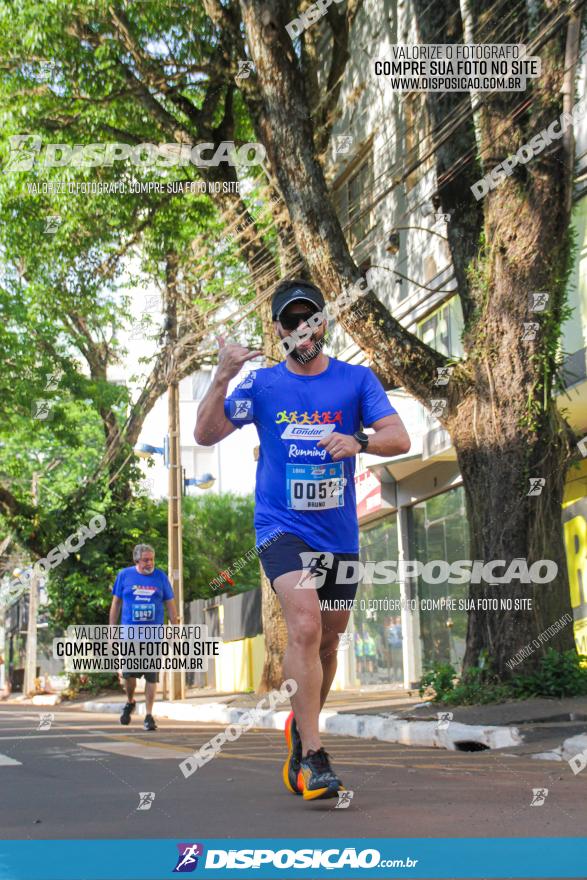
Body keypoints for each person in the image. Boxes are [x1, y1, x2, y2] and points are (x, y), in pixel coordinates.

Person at [195, 278, 410, 800]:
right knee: (307, 624)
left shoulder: (355, 381)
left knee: (332, 636)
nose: (301, 329)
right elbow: (205, 434)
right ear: (279, 331)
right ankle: (314, 755)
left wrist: (358, 439)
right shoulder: (263, 386)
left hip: (337, 533)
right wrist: (222, 376)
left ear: (324, 322)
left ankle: (300, 728)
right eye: (290, 322)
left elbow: (399, 437)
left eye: (309, 318)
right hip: (280, 528)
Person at [109, 543, 178, 731]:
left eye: (152, 559)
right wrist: (112, 631)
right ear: (136, 560)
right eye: (146, 560)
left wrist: (175, 631)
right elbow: (116, 604)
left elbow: (171, 606)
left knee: (151, 676)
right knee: (129, 676)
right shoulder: (124, 575)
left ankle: (148, 715)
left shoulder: (161, 577)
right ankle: (130, 701)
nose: (150, 563)